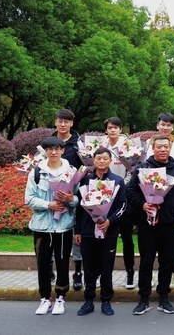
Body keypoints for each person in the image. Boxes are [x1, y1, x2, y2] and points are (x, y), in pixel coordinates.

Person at [127, 135, 174, 316]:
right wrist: (142, 204)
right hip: (148, 224)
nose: (162, 149)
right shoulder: (143, 168)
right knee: (146, 262)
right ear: (152, 148)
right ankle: (143, 299)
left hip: (170, 223)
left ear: (170, 148)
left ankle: (164, 298)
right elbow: (130, 190)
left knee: (166, 262)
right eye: (159, 146)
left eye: (165, 147)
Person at [25, 136, 79, 315]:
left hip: (63, 226)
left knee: (63, 262)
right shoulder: (37, 172)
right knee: (43, 264)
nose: (53, 152)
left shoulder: (71, 171)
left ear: (63, 150)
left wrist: (70, 199)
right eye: (50, 149)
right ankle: (45, 298)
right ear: (46, 151)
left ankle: (61, 297)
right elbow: (29, 198)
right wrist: (49, 205)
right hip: (42, 226)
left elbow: (78, 199)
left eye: (57, 149)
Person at [75, 147, 126, 316]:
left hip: (108, 232)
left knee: (106, 267)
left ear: (110, 161)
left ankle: (106, 300)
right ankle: (88, 300)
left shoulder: (117, 181)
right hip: (88, 232)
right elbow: (80, 208)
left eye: (105, 158)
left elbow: (122, 206)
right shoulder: (85, 180)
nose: (102, 161)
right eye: (99, 158)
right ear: (93, 160)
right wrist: (78, 230)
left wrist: (110, 221)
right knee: (89, 267)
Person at [145, 112, 174, 289]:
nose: (165, 127)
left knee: (168, 254)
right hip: (150, 208)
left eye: (169, 125)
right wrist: (143, 203)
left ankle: (166, 285)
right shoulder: (146, 151)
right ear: (157, 125)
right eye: (163, 124)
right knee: (148, 255)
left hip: (171, 204)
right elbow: (136, 184)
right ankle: (145, 289)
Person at [52, 109, 84, 292]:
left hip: (74, 193)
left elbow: (85, 167)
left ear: (72, 123)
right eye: (60, 121)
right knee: (51, 232)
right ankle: (50, 270)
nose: (63, 124)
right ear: (55, 122)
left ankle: (78, 272)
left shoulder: (79, 144)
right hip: (52, 194)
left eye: (66, 121)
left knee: (76, 233)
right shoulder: (49, 142)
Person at [102, 117, 135, 290]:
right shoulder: (101, 145)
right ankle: (101, 273)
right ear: (106, 130)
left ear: (120, 129)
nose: (113, 130)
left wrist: (121, 187)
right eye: (110, 127)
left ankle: (130, 271)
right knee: (104, 238)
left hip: (123, 196)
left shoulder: (128, 146)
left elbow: (132, 170)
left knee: (127, 238)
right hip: (103, 197)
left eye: (116, 127)